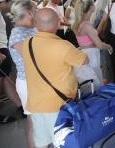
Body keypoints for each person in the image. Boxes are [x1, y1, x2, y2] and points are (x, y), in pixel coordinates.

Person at [22, 8, 88, 148]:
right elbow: (84, 61)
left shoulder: (27, 42)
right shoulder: (63, 46)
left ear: (35, 23)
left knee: (41, 143)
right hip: (60, 106)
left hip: (36, 104)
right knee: (66, 142)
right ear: (58, 23)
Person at [8, 0, 37, 147]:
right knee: (34, 122)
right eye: (36, 9)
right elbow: (33, 60)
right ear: (28, 13)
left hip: (39, 81)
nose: (38, 12)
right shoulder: (18, 36)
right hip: (29, 83)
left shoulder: (31, 28)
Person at [72, 0, 113, 86]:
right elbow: (99, 44)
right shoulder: (86, 25)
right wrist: (109, 47)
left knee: (90, 80)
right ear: (91, 7)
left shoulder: (78, 23)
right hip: (91, 55)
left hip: (84, 53)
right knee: (95, 80)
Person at [0, 0, 24, 125]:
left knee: (5, 79)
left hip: (1, 49)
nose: (8, 5)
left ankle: (20, 105)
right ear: (1, 3)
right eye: (7, 2)